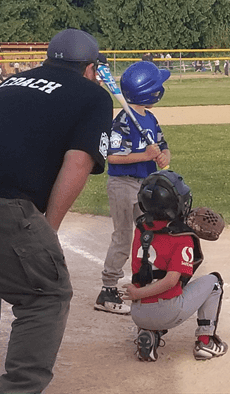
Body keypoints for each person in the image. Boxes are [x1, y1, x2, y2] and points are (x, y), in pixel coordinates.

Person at [0, 28, 113, 394]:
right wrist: (48, 227)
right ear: (89, 68)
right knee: (46, 294)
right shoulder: (92, 95)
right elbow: (78, 162)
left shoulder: (7, 85)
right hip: (8, 208)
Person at [123, 170, 228, 362]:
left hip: (138, 312)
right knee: (214, 282)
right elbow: (171, 281)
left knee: (153, 275)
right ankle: (206, 342)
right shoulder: (183, 238)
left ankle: (149, 334)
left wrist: (137, 295)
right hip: (166, 311)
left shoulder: (140, 228)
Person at [96, 61, 172, 315]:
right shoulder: (123, 122)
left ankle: (144, 281)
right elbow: (113, 157)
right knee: (123, 236)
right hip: (123, 184)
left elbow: (162, 144)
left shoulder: (149, 118)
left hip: (145, 185)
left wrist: (163, 156)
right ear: (150, 92)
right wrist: (145, 155)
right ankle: (108, 289)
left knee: (148, 234)